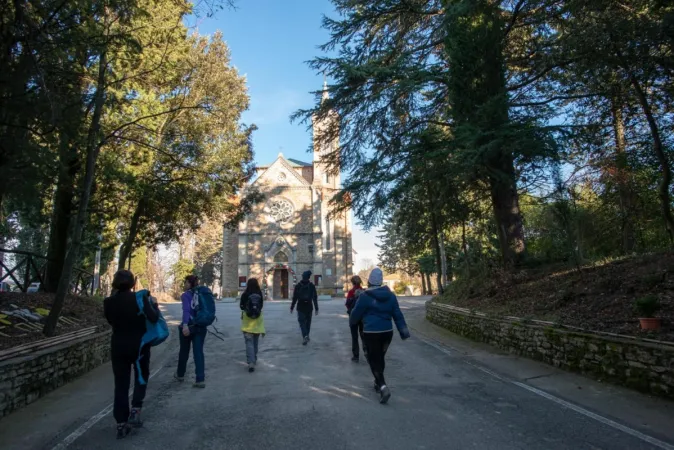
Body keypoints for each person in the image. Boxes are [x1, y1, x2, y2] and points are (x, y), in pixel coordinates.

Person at [104, 270, 159, 439]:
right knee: (141, 377)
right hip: (140, 345)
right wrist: (154, 305)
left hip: (119, 346)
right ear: (133, 283)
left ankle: (121, 423)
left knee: (121, 384)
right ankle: (136, 409)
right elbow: (154, 318)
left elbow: (111, 321)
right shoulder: (140, 299)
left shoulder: (108, 302)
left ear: (115, 283)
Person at [349, 267, 410, 404]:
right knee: (380, 358)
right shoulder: (391, 296)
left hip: (371, 333)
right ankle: (378, 383)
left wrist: (353, 321)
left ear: (370, 281)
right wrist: (404, 332)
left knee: (373, 360)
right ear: (381, 282)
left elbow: (355, 314)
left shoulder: (364, 296)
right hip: (387, 333)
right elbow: (398, 315)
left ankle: (382, 386)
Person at [175, 275, 207, 388]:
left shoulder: (186, 295)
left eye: (186, 282)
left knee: (184, 351)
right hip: (201, 326)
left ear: (189, 283)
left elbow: (186, 311)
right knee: (198, 352)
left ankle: (180, 374)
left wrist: (184, 325)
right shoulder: (202, 294)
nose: (185, 284)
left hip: (189, 325)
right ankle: (200, 379)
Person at [239, 277, 265, 372]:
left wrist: (246, 309)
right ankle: (254, 358)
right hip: (257, 320)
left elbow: (241, 306)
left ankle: (251, 362)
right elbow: (261, 305)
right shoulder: (259, 294)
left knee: (248, 341)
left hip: (247, 320)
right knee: (255, 341)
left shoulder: (245, 294)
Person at [290, 270, 318, 345]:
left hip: (300, 306)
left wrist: (292, 307)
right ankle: (307, 335)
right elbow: (314, 297)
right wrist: (316, 308)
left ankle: (305, 335)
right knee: (308, 323)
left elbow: (295, 297)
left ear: (302, 277)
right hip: (309, 306)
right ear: (309, 277)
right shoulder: (311, 285)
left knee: (302, 322)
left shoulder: (298, 286)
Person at [345, 275, 366, 362]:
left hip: (353, 317)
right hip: (362, 317)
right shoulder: (364, 292)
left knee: (354, 337)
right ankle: (367, 353)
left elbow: (347, 304)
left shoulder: (351, 292)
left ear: (352, 283)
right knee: (364, 336)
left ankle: (356, 356)